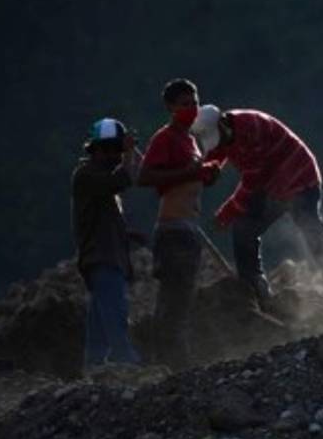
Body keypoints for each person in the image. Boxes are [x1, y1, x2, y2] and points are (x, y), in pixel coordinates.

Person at [190, 105, 323, 302]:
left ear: (223, 123)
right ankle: (255, 291)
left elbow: (253, 180)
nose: (219, 142)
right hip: (271, 187)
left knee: (309, 224)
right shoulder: (224, 134)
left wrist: (227, 213)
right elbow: (215, 157)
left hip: (299, 177)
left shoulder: (252, 128)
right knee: (244, 229)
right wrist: (200, 173)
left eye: (219, 137)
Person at [137, 79, 219, 368]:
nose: (192, 109)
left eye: (195, 103)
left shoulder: (190, 140)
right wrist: (189, 172)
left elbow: (185, 176)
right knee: (173, 301)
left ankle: (172, 363)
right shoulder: (166, 138)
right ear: (171, 107)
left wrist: (204, 176)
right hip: (173, 228)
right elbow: (145, 177)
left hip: (188, 226)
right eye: (184, 104)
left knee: (182, 301)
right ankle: (170, 365)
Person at [71, 118, 143, 369]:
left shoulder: (100, 181)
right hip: (100, 256)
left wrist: (129, 235)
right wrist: (130, 152)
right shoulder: (86, 176)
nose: (114, 155)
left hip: (108, 255)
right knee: (115, 309)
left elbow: (107, 218)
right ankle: (124, 358)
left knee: (100, 315)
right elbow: (122, 179)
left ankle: (94, 364)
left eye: (117, 149)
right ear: (95, 150)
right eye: (109, 149)